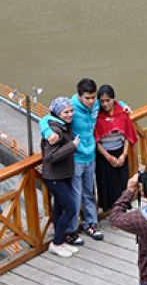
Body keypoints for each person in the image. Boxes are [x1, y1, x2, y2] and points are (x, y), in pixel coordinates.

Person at [39, 78, 130, 242]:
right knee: (76, 194)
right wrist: (47, 132)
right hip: (75, 158)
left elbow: (111, 102)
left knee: (89, 192)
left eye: (93, 97)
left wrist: (123, 105)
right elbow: (45, 119)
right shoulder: (71, 108)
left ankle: (90, 224)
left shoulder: (95, 105)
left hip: (91, 156)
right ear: (79, 96)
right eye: (87, 98)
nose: (91, 101)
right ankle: (71, 230)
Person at [41, 97, 82, 258]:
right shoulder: (56, 131)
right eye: (66, 112)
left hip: (63, 174)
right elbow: (49, 156)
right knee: (71, 208)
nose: (70, 114)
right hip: (54, 176)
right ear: (58, 113)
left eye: (71, 111)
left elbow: (44, 119)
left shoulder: (62, 126)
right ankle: (56, 243)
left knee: (59, 208)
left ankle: (60, 240)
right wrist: (72, 146)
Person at [94, 84, 138, 212]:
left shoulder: (122, 114)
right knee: (106, 185)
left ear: (114, 99)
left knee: (122, 184)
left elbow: (127, 136)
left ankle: (121, 210)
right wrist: (108, 157)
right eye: (102, 101)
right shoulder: (96, 116)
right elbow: (96, 140)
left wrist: (123, 155)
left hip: (120, 152)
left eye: (108, 100)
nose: (105, 104)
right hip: (104, 155)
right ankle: (110, 213)